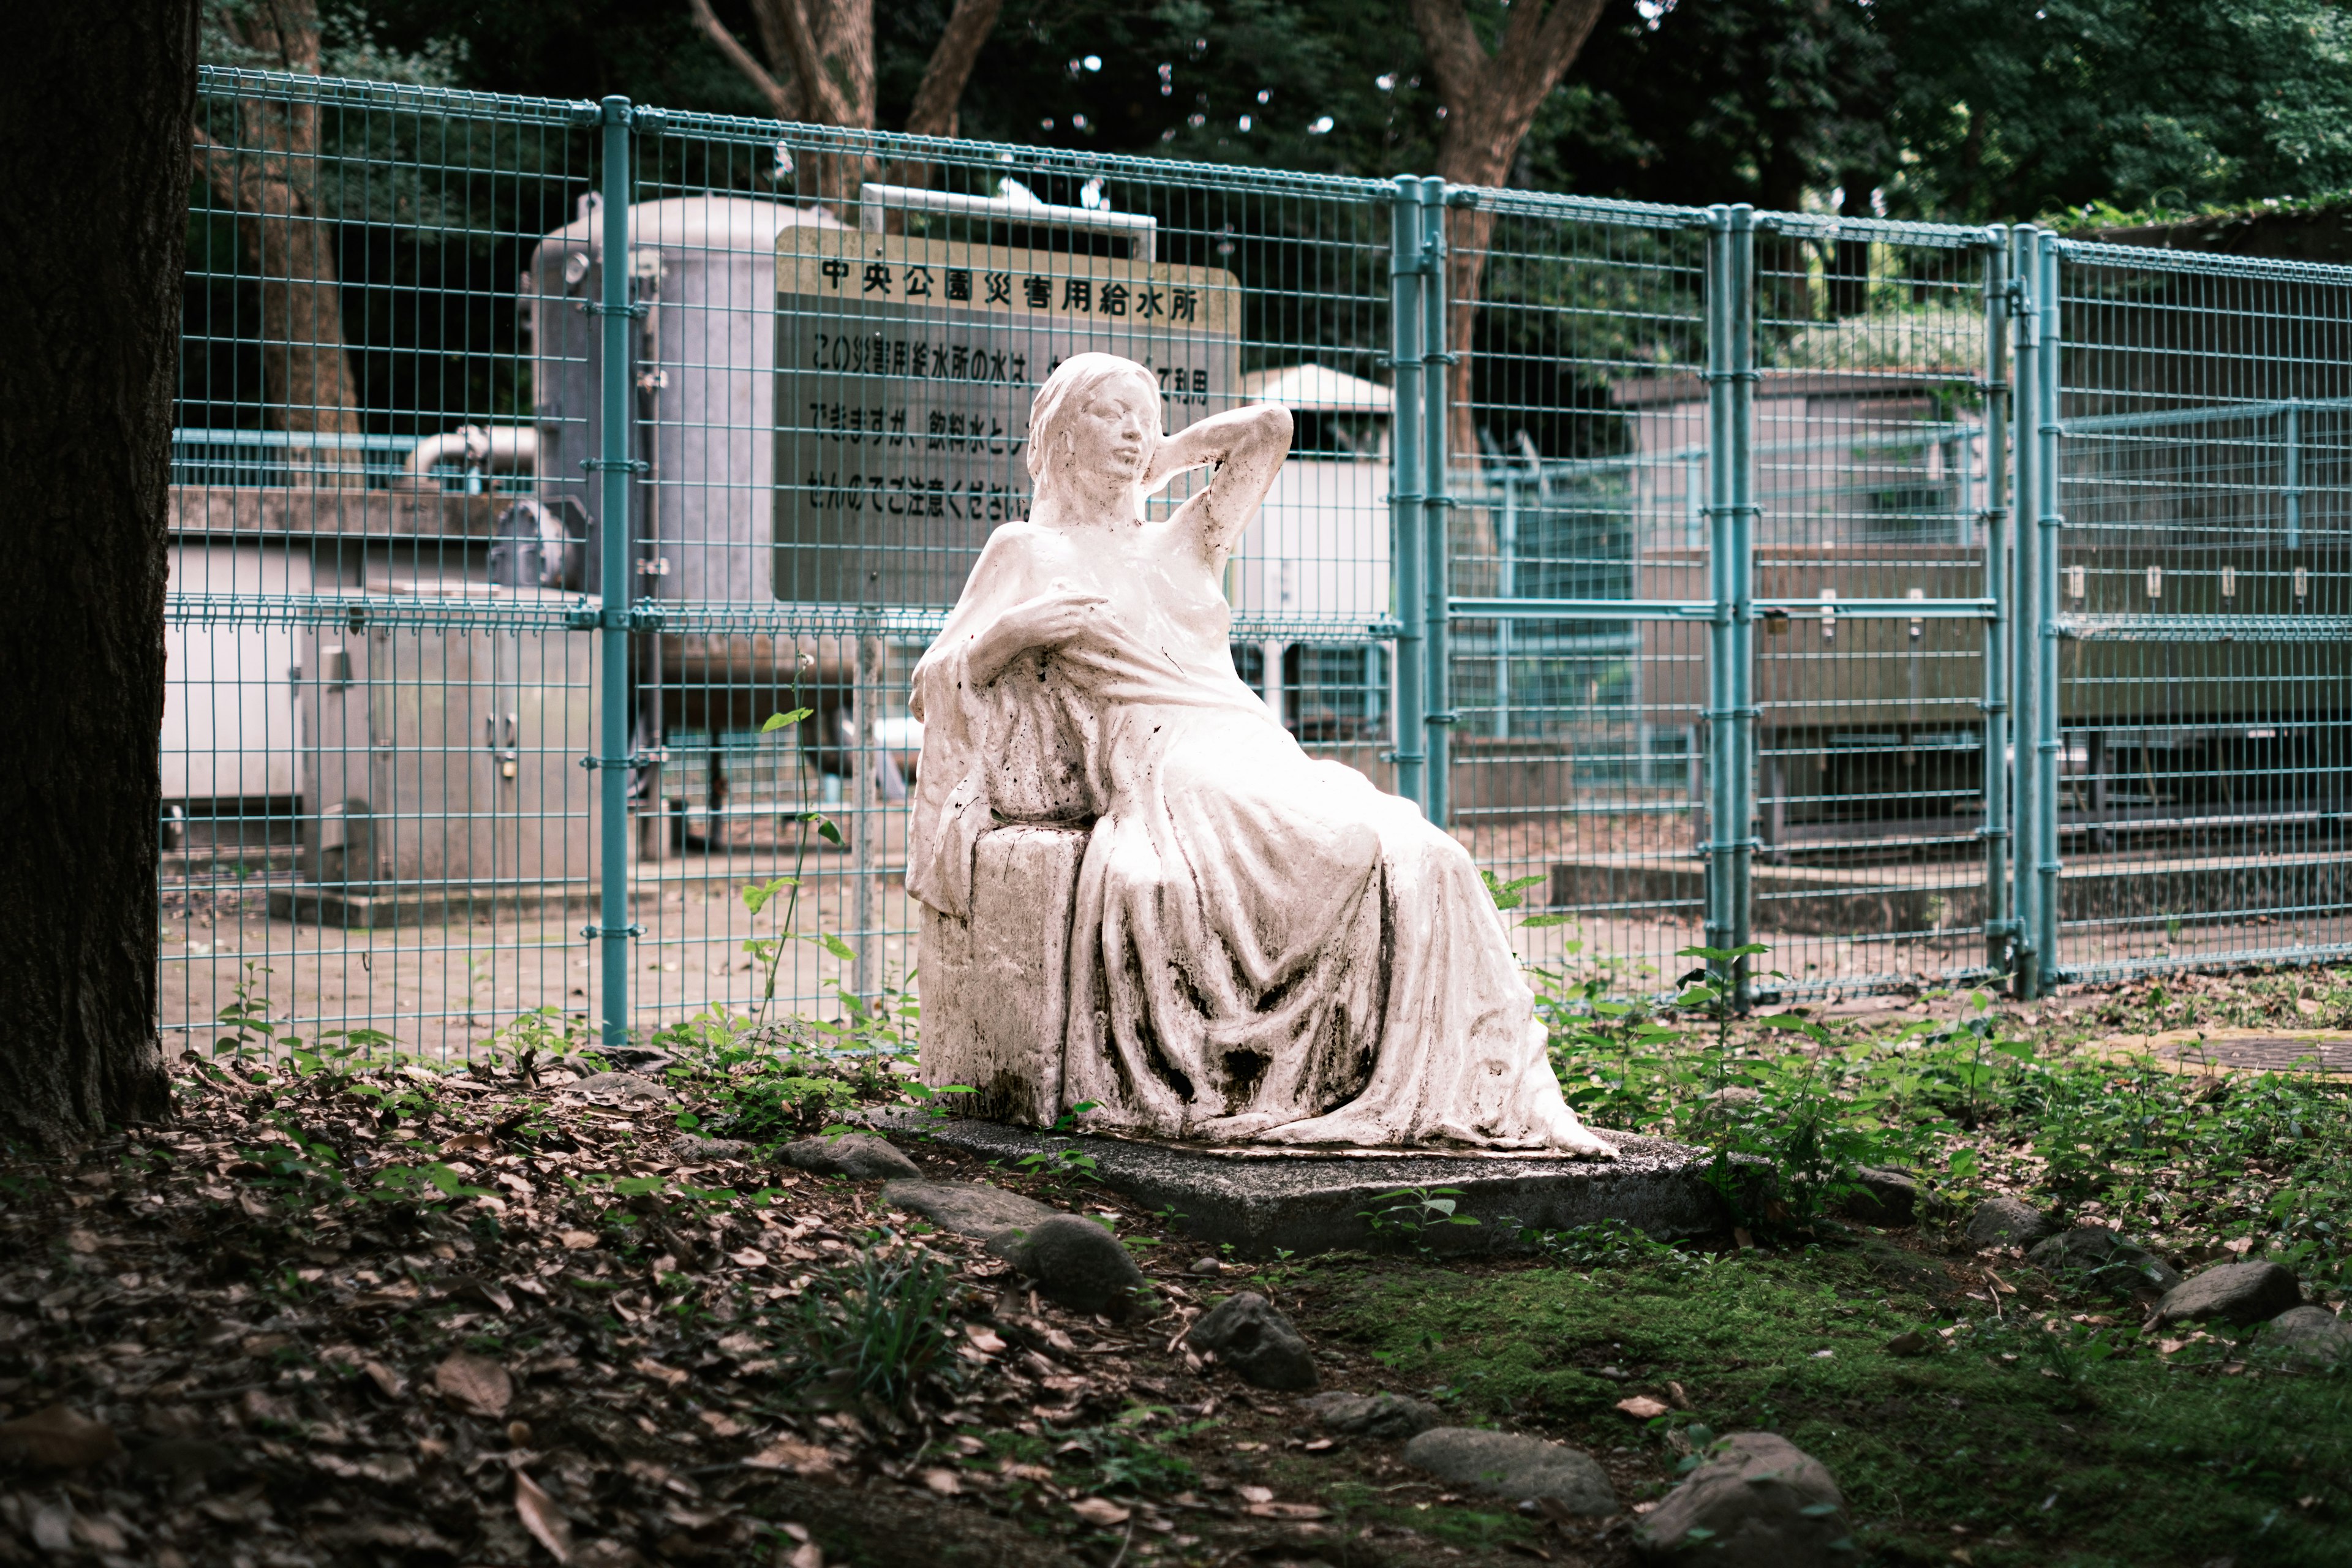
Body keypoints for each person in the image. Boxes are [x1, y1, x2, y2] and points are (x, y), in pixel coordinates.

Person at [908, 353, 1612, 1153]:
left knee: (1428, 852)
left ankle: (1501, 1087)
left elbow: (1269, 430)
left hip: (1246, 736)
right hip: (1162, 757)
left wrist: (1162, 456)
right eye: (1111, 412)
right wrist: (1017, 630)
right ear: (1062, 435)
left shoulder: (1185, 541)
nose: (1136, 427)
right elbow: (936, 679)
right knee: (1344, 844)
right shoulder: (1027, 551)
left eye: (1148, 409)